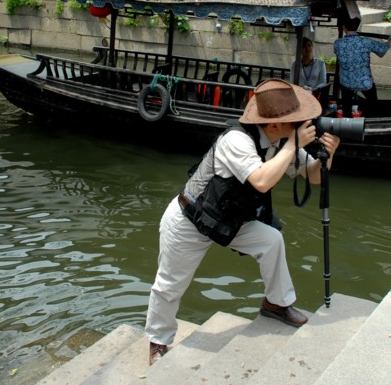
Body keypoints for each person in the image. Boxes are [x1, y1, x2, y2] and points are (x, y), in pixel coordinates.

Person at [144, 79, 341, 366]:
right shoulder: (236, 140)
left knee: (271, 240)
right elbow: (260, 181)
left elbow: (313, 175)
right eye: (294, 122)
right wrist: (292, 145)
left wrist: (329, 154)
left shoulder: (280, 142)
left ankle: (276, 304)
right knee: (170, 284)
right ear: (274, 125)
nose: (302, 125)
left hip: (230, 216)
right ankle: (158, 342)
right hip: (191, 218)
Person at [334, 16, 391, 115]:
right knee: (373, 103)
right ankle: (372, 118)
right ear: (357, 27)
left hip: (346, 82)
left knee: (346, 106)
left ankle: (347, 122)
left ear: (344, 27)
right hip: (364, 81)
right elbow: (382, 50)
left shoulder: (338, 43)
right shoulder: (365, 42)